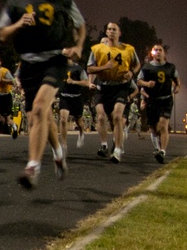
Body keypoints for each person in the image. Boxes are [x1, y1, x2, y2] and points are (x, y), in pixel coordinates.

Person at [0, 0, 85, 188]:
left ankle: (33, 167)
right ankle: (58, 152)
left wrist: (78, 46)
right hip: (28, 64)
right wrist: (18, 25)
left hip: (55, 60)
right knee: (42, 115)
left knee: (38, 109)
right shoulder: (16, 1)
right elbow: (2, 34)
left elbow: (80, 24)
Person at [86, 22, 141, 163]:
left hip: (120, 87)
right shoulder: (97, 49)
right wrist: (104, 67)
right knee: (100, 117)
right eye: (109, 29)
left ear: (119, 33)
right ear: (106, 32)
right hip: (103, 88)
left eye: (114, 29)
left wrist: (131, 72)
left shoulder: (128, 49)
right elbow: (90, 69)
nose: (111, 31)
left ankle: (116, 150)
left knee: (117, 117)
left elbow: (137, 64)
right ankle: (104, 145)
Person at [137, 43, 179, 163]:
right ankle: (157, 148)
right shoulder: (146, 67)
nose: (158, 52)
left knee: (163, 124)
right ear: (152, 53)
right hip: (152, 100)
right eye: (156, 50)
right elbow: (139, 81)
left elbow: (177, 80)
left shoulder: (171, 67)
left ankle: (163, 151)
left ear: (164, 53)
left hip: (166, 99)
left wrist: (178, 87)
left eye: (160, 50)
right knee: (153, 128)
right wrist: (147, 84)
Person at [57, 57, 90, 149]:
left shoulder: (78, 69)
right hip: (64, 97)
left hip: (76, 98)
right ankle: (63, 144)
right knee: (63, 119)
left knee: (79, 121)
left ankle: (81, 133)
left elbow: (86, 83)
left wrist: (74, 82)